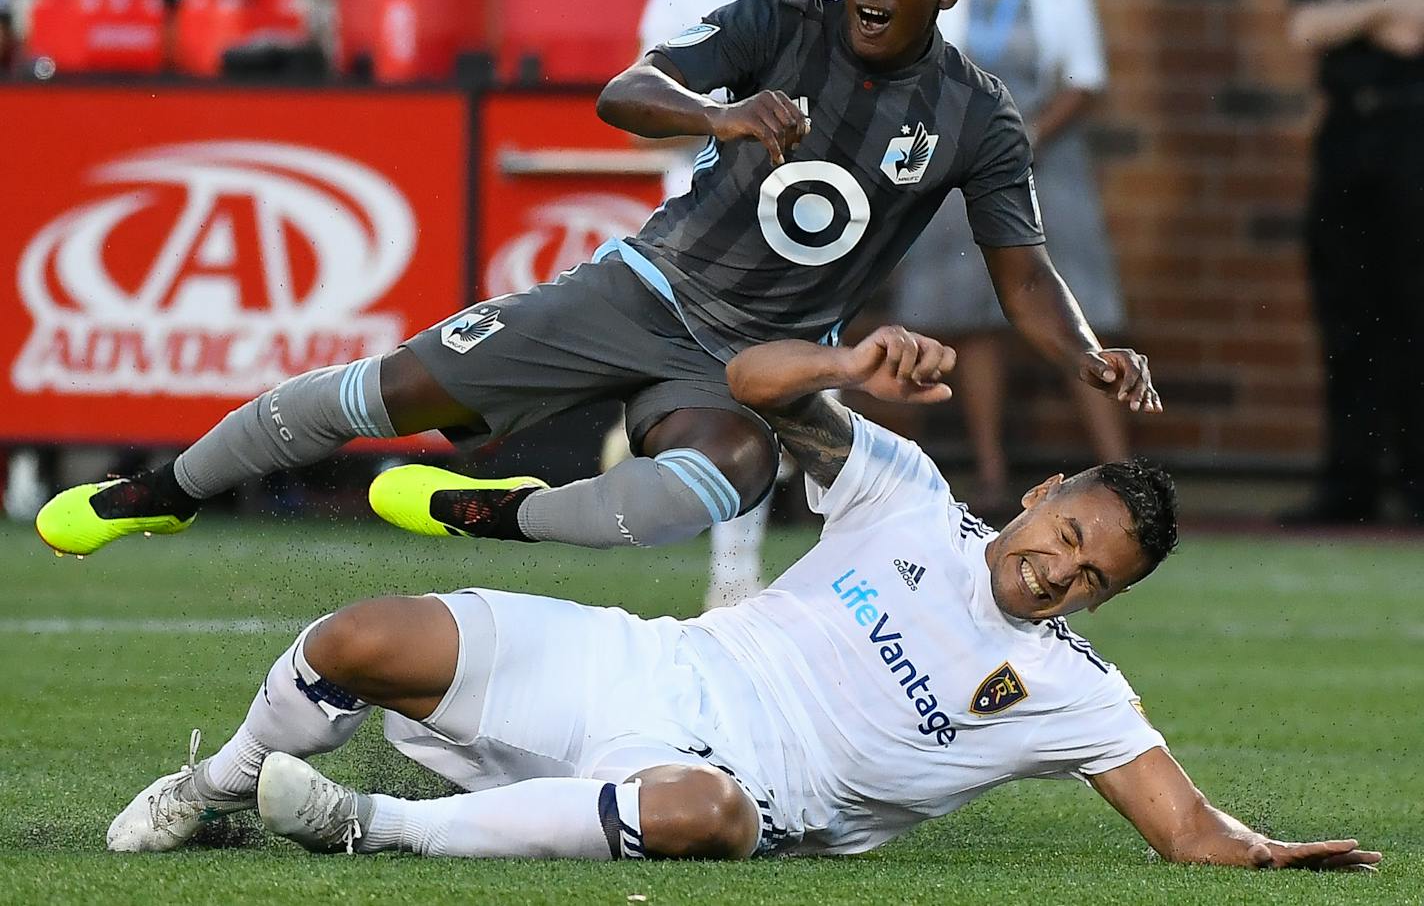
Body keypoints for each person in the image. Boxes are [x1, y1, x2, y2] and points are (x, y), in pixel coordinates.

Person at [37, 0, 1160, 566]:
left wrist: (1086, 353)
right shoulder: (782, 17)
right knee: (386, 393)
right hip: (640, 290)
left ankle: (500, 516)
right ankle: (161, 493)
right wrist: (715, 118)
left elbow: (1022, 273)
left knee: (728, 477)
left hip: (754, 357)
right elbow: (622, 90)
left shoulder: (977, 115)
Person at [105, 326, 1377, 874]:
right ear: (1043, 493)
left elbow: (1187, 832)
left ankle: (363, 824)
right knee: (360, 638)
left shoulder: (1070, 692)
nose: (1057, 568)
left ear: (1101, 604)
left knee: (703, 813)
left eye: (1092, 577)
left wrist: (1272, 854)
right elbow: (750, 382)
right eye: (1066, 534)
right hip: (644, 667)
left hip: (733, 784)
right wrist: (850, 359)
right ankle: (215, 789)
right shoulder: (909, 500)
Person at [635, 0, 842, 607]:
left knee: (816, 406)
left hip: (812, 229)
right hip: (710, 229)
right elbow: (651, 104)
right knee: (741, 399)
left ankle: (839, 579)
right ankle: (733, 580)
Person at [892, 0, 1126, 512]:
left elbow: (1084, 79)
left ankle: (1122, 472)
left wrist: (1028, 135)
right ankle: (991, 473)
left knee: (1077, 312)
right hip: (961, 168)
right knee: (973, 318)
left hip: (1046, 168)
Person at [1286, 0, 1424, 525]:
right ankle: (1350, 480)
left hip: (1414, 132)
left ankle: (1415, 479)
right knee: (1346, 312)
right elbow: (1307, 27)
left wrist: (1351, 10)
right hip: (1345, 137)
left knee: (1414, 307)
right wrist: (1391, 2)